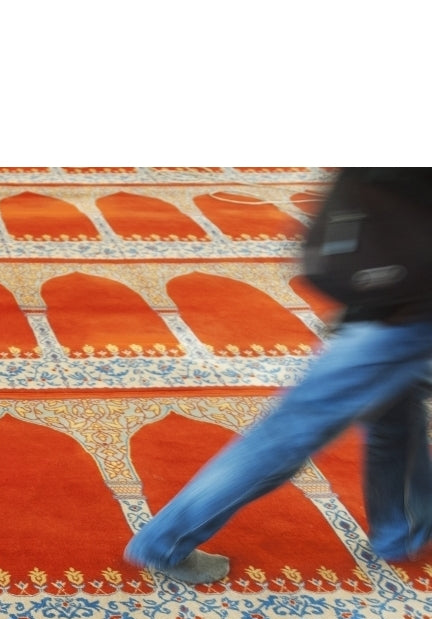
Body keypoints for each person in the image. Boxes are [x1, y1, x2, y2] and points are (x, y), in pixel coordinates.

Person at [124, 168, 432, 584]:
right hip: (410, 300)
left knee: (395, 406)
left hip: (379, 273)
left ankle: (401, 530)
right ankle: (163, 542)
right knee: (292, 431)